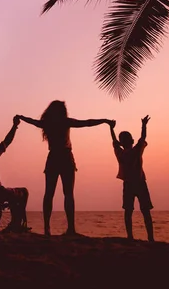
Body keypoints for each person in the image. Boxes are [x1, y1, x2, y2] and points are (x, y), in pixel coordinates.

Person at [17, 100, 113, 236]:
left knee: (50, 193)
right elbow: (86, 122)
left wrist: (21, 117)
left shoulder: (48, 123)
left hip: (54, 158)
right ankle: (70, 229)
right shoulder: (65, 121)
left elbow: (33, 121)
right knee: (67, 194)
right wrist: (104, 120)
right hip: (65, 158)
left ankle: (48, 228)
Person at [109, 115, 155, 242]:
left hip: (131, 184)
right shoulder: (135, 150)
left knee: (129, 211)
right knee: (144, 211)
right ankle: (150, 238)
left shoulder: (121, 152)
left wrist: (111, 129)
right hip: (138, 183)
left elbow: (114, 142)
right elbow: (143, 137)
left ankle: (131, 236)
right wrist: (144, 125)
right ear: (131, 141)